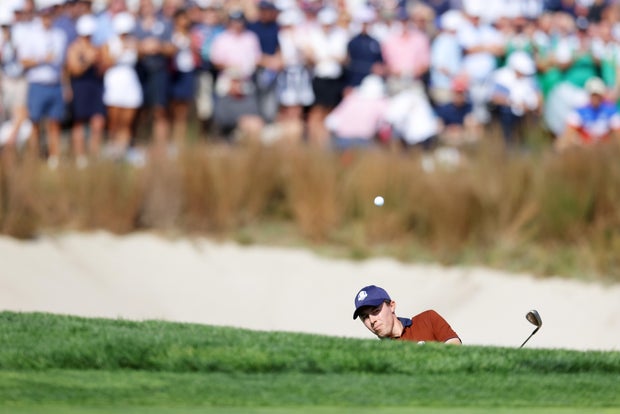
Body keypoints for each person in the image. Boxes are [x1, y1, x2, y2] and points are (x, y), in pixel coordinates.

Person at [352, 285, 462, 344]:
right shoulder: (379, 356)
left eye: (376, 311)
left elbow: (455, 349)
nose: (372, 321)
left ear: (392, 306)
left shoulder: (428, 319)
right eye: (365, 317)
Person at [556, 76, 620, 150]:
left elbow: (618, 133)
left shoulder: (610, 110)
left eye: (597, 95)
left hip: (604, 149)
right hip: (585, 149)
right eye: (593, 94)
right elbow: (568, 134)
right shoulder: (579, 111)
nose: (595, 98)